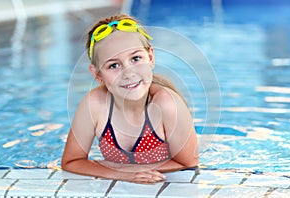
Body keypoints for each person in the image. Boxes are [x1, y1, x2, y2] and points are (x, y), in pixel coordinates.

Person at [62, 14, 199, 184]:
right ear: (98, 75)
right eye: (114, 65)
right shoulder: (94, 104)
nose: (129, 73)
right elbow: (71, 161)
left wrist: (128, 169)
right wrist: (120, 174)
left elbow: (189, 162)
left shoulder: (166, 103)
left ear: (150, 58)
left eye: (136, 59)